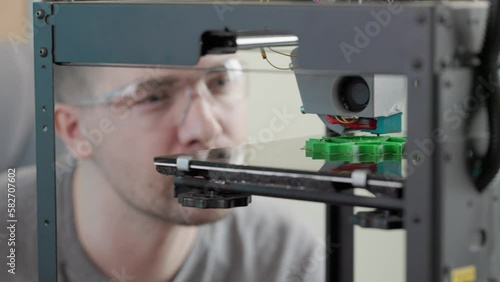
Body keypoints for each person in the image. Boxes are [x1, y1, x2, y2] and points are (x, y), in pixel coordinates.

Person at [0, 53, 326, 282]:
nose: (206, 128)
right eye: (154, 96)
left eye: (221, 81)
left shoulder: (284, 257)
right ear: (74, 130)